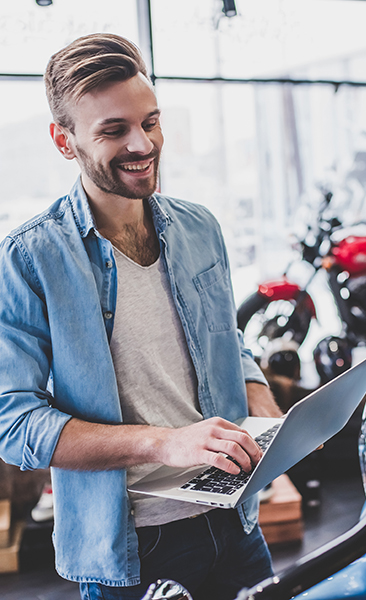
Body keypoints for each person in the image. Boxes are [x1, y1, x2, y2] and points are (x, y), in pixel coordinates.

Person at [0, 33, 283, 600]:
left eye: (150, 122)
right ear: (64, 141)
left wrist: (265, 407)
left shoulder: (200, 227)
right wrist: (165, 444)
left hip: (235, 520)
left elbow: (227, 341)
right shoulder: (30, 259)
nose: (142, 143)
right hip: (133, 546)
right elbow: (14, 424)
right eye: (113, 130)